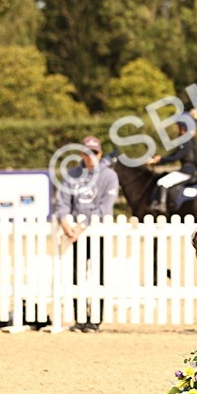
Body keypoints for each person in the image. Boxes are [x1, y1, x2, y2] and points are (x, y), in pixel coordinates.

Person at [51, 135, 119, 332]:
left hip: (97, 233)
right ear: (81, 153)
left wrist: (83, 224)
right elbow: (62, 202)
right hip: (74, 234)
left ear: (100, 153)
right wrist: (64, 220)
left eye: (95, 153)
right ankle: (80, 318)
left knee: (99, 276)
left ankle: (95, 320)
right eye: (87, 153)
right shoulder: (72, 175)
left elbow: (105, 207)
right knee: (75, 276)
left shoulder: (109, 176)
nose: (91, 157)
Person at [146, 112, 197, 215]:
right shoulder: (188, 140)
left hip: (187, 171)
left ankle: (161, 206)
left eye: (178, 126)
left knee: (162, 182)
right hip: (189, 170)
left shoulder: (186, 141)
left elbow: (176, 157)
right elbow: (174, 153)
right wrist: (159, 159)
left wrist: (160, 159)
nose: (177, 129)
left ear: (182, 128)